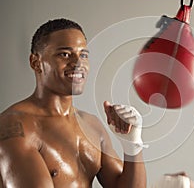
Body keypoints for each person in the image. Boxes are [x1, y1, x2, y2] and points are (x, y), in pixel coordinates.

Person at [0, 18, 147, 188]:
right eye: (65, 54)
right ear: (36, 62)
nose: (78, 64)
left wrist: (132, 145)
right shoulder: (15, 128)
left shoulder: (91, 125)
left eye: (83, 55)